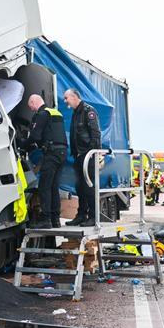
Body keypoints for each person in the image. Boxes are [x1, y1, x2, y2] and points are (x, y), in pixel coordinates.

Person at [24, 94, 68, 229]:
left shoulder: (42, 114)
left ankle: (46, 219)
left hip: (51, 154)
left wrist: (23, 145)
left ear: (33, 101)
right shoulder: (56, 113)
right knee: (54, 187)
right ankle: (55, 220)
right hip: (62, 153)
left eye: (30, 106)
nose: (31, 109)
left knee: (44, 187)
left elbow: (35, 136)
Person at [63, 89, 101, 227]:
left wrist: (91, 154)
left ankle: (93, 217)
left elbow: (95, 134)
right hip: (79, 156)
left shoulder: (88, 111)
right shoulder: (76, 113)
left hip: (88, 156)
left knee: (89, 187)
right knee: (80, 187)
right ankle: (81, 215)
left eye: (66, 97)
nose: (65, 101)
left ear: (74, 97)